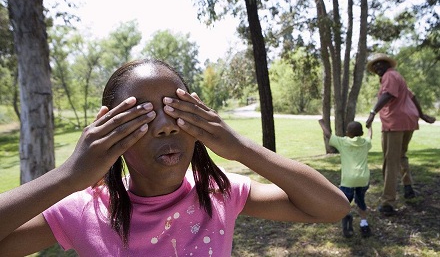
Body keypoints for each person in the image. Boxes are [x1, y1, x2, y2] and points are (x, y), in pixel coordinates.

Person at [0, 59, 350, 256]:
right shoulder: (82, 210)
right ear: (109, 131)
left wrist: (241, 148)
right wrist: (68, 178)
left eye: (176, 110)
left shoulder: (217, 192)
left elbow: (332, 207)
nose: (166, 127)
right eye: (144, 115)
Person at [365, 53, 436, 216]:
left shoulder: (390, 76)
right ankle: (408, 186)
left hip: (395, 123)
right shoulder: (397, 77)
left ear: (386, 64)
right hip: (408, 121)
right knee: (401, 155)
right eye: (374, 66)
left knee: (390, 160)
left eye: (379, 64)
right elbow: (412, 96)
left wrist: (372, 112)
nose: (377, 68)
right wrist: (422, 115)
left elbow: (388, 95)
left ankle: (388, 202)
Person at [319, 119, 372, 238]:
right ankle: (364, 224)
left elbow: (328, 135)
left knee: (344, 201)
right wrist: (370, 127)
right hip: (363, 179)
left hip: (348, 180)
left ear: (347, 133)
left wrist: (322, 123)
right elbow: (370, 136)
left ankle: (347, 217)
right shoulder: (365, 143)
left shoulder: (343, 142)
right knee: (361, 200)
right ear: (361, 133)